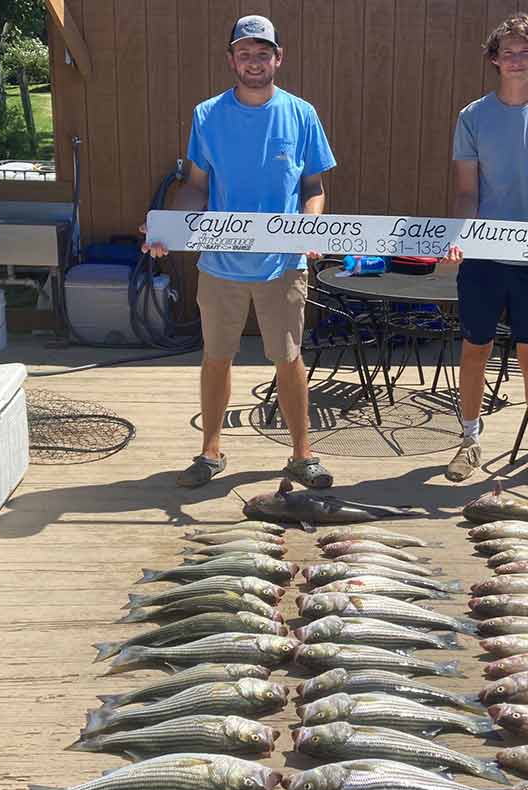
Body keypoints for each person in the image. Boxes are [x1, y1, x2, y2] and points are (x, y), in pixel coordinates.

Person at [143, 15, 336, 490]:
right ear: (231, 59)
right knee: (216, 356)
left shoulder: (302, 114)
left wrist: (310, 226)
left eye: (263, 52)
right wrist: (170, 226)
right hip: (221, 266)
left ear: (278, 57)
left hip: (284, 264)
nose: (255, 61)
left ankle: (301, 454)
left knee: (288, 358)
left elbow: (313, 186)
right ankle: (210, 451)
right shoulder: (207, 114)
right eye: (245, 53)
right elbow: (194, 188)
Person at [442, 13, 528, 498]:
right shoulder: (472, 116)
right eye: (507, 52)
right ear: (494, 59)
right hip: (481, 259)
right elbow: (464, 193)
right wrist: (460, 234)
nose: (516, 59)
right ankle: (469, 442)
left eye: (526, 51)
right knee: (474, 349)